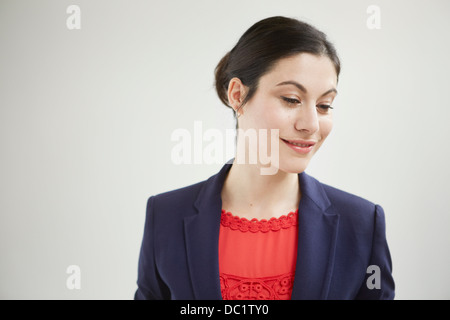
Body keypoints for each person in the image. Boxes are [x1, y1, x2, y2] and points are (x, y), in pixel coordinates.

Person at [134, 16, 395, 300]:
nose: (311, 124)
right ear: (237, 95)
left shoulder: (361, 224)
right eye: (291, 99)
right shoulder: (166, 215)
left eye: (324, 105)